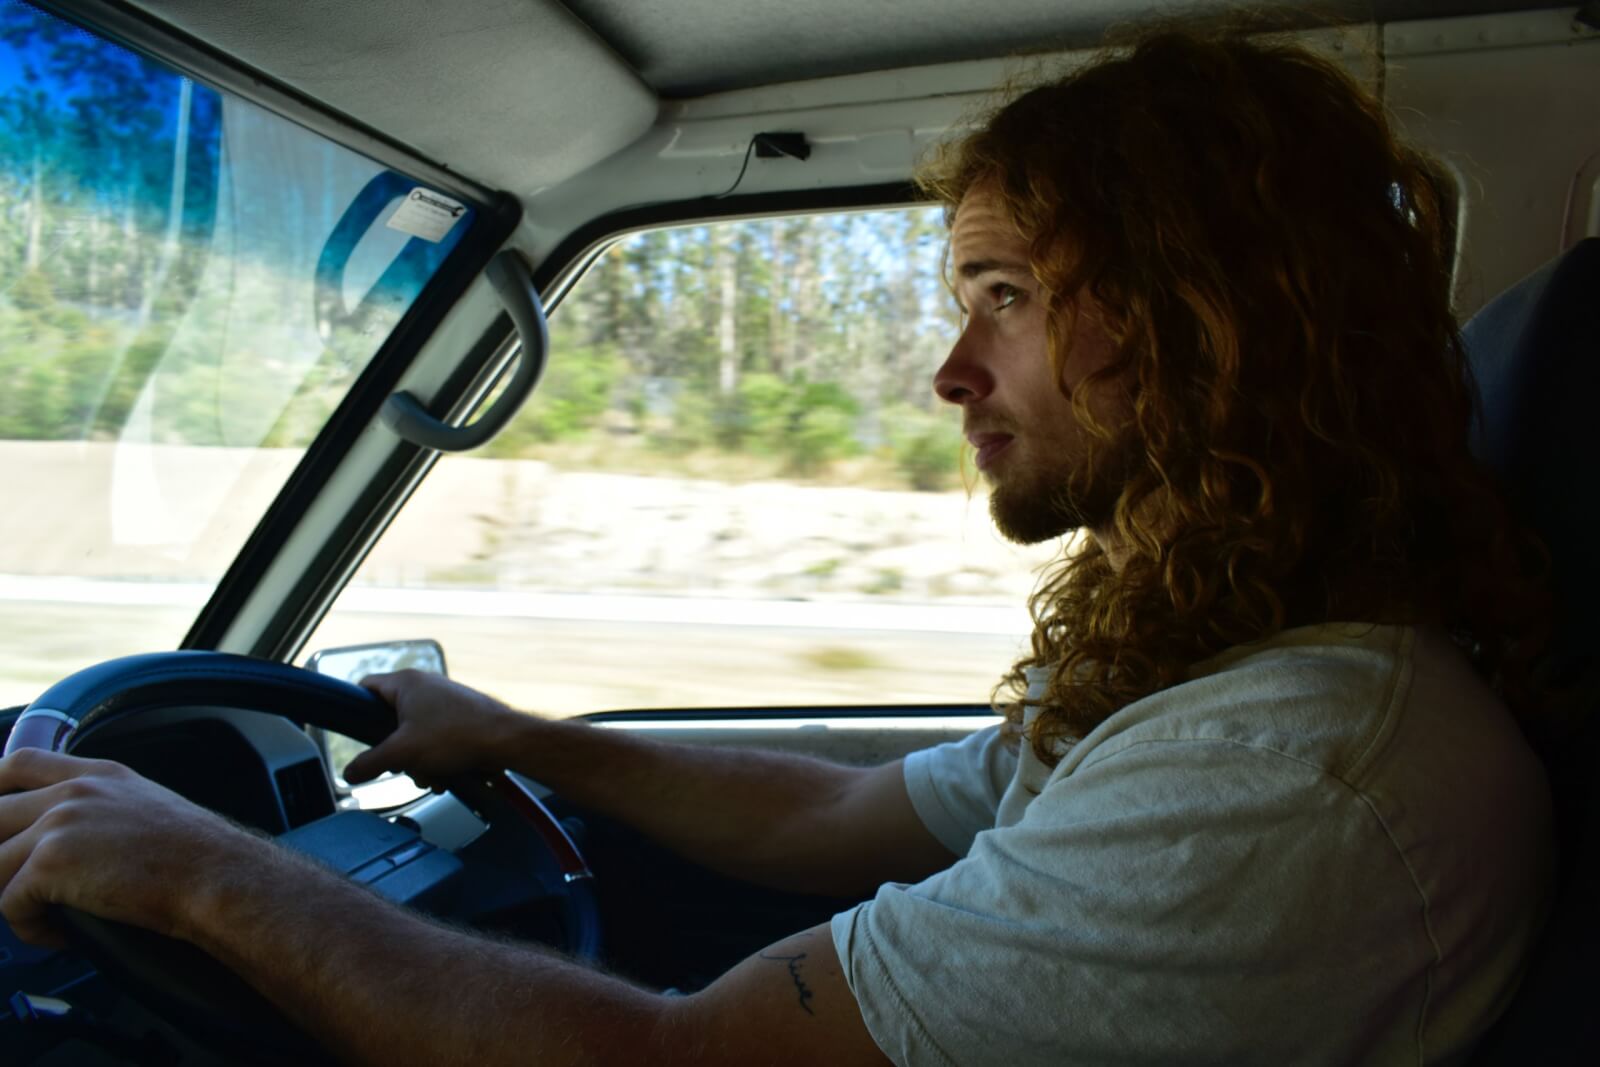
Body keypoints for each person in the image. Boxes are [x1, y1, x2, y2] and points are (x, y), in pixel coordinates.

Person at [0, 25, 1555, 1067]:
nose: (954, 372)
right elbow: (847, 812)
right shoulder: (1231, 666)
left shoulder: (1292, 776)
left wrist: (208, 875)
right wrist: (522, 737)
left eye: (1005, 294)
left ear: (1215, 323)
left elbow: (676, 1064)